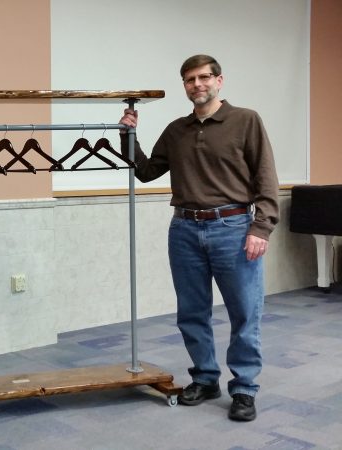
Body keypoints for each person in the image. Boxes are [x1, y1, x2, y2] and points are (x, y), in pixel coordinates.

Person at [119, 54, 279, 422]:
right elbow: (145, 172)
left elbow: (266, 178)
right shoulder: (177, 130)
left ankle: (243, 388)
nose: (197, 85)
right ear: (185, 86)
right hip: (185, 230)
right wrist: (128, 134)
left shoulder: (246, 121)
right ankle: (206, 378)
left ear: (219, 80)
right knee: (192, 313)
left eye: (204, 77)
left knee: (244, 312)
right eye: (189, 80)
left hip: (234, 229)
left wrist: (262, 227)